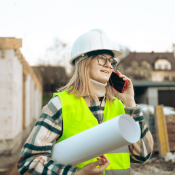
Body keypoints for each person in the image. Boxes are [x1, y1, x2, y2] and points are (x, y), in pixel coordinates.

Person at [17, 29, 154, 175]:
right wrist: (76, 173)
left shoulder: (121, 107)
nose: (109, 65)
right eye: (102, 58)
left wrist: (130, 103)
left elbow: (143, 155)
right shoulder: (59, 105)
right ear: (83, 61)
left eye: (111, 61)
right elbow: (28, 163)